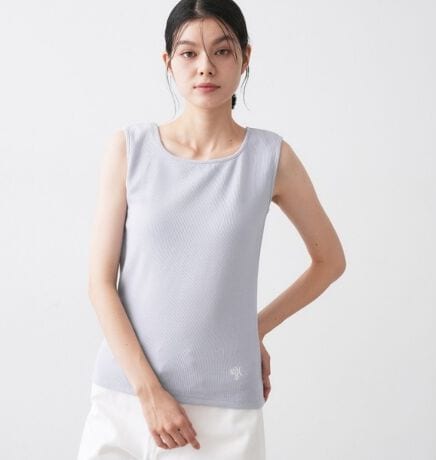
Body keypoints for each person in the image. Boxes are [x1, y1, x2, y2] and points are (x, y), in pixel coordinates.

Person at [77, 0, 346, 458]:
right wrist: (149, 393)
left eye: (222, 51)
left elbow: (330, 262)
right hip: (126, 401)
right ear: (168, 62)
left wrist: (252, 329)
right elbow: (100, 283)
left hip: (225, 412)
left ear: (245, 57)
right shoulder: (129, 149)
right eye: (189, 53)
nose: (205, 67)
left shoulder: (271, 158)